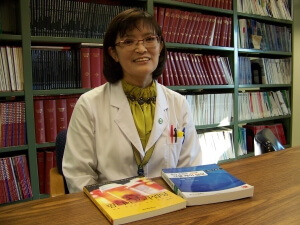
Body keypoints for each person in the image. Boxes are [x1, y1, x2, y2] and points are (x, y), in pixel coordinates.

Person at [63, 8, 202, 193]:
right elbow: (79, 175)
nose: (141, 48)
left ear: (160, 46)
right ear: (113, 53)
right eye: (128, 41)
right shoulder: (89, 104)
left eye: (149, 39)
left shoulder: (178, 103)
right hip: (111, 210)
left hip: (170, 207)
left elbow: (191, 167)